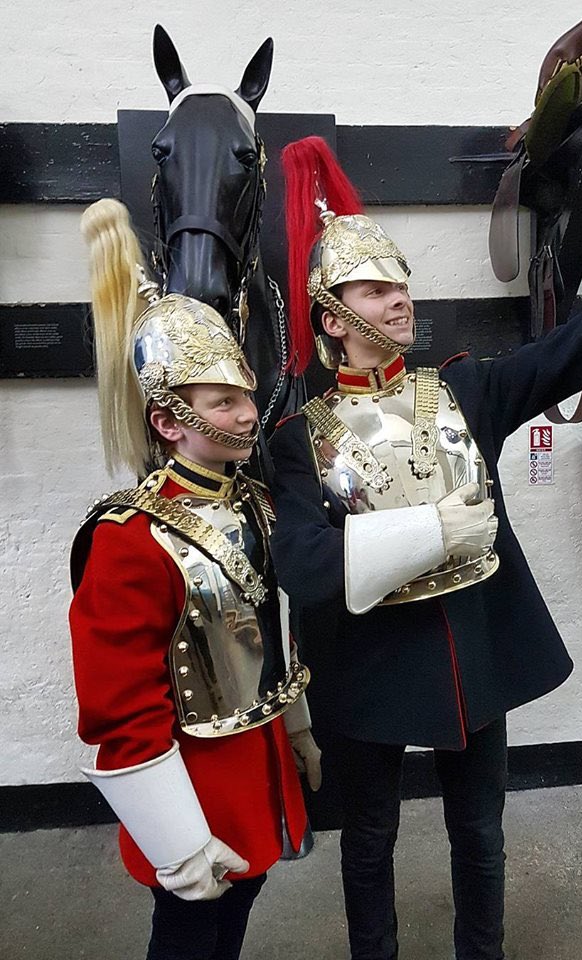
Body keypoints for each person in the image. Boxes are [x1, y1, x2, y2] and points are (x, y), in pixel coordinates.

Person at [267, 136, 582, 960]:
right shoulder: (292, 440)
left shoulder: (462, 389)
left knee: (480, 835)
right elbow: (304, 569)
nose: (399, 302)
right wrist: (425, 533)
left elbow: (580, 346)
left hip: (465, 649)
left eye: (401, 287)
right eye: (376, 291)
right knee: (368, 839)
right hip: (362, 658)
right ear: (332, 317)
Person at [70, 198, 321, 960]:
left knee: (235, 921)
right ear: (168, 421)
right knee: (186, 939)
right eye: (223, 401)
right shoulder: (128, 538)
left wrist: (299, 726)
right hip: (191, 783)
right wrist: (177, 840)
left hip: (260, 759)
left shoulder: (254, 500)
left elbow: (267, 629)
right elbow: (117, 709)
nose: (247, 415)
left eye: (245, 396)